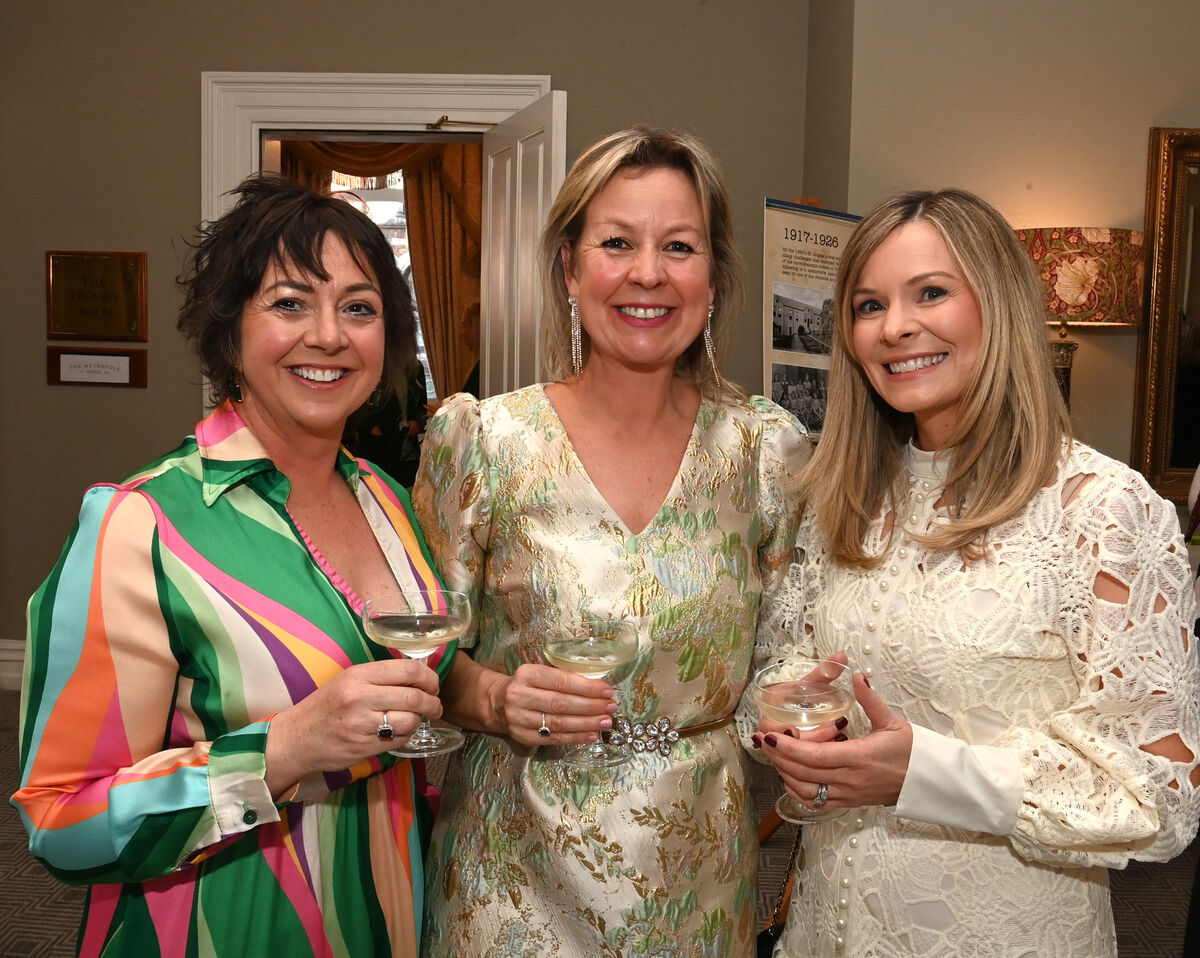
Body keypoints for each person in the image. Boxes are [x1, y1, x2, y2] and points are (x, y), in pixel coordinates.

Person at [11, 174, 457, 958]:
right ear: (229, 329)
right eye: (289, 303)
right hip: (232, 922)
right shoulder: (140, 523)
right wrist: (284, 748)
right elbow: (59, 820)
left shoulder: (387, 497)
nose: (328, 334)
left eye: (359, 307)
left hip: (389, 907)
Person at [748, 188, 1200, 957]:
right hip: (830, 924)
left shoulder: (1104, 511)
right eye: (868, 304)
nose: (895, 327)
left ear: (1000, 305)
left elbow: (1158, 797)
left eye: (930, 292)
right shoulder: (849, 499)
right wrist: (789, 708)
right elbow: (792, 657)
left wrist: (923, 771)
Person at [411, 126, 813, 956]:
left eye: (679, 247)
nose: (648, 274)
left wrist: (805, 718)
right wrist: (494, 699)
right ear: (569, 265)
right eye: (617, 243)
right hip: (510, 868)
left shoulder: (763, 451)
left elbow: (784, 657)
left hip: (696, 868)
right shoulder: (483, 441)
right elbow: (418, 661)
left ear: (714, 275)